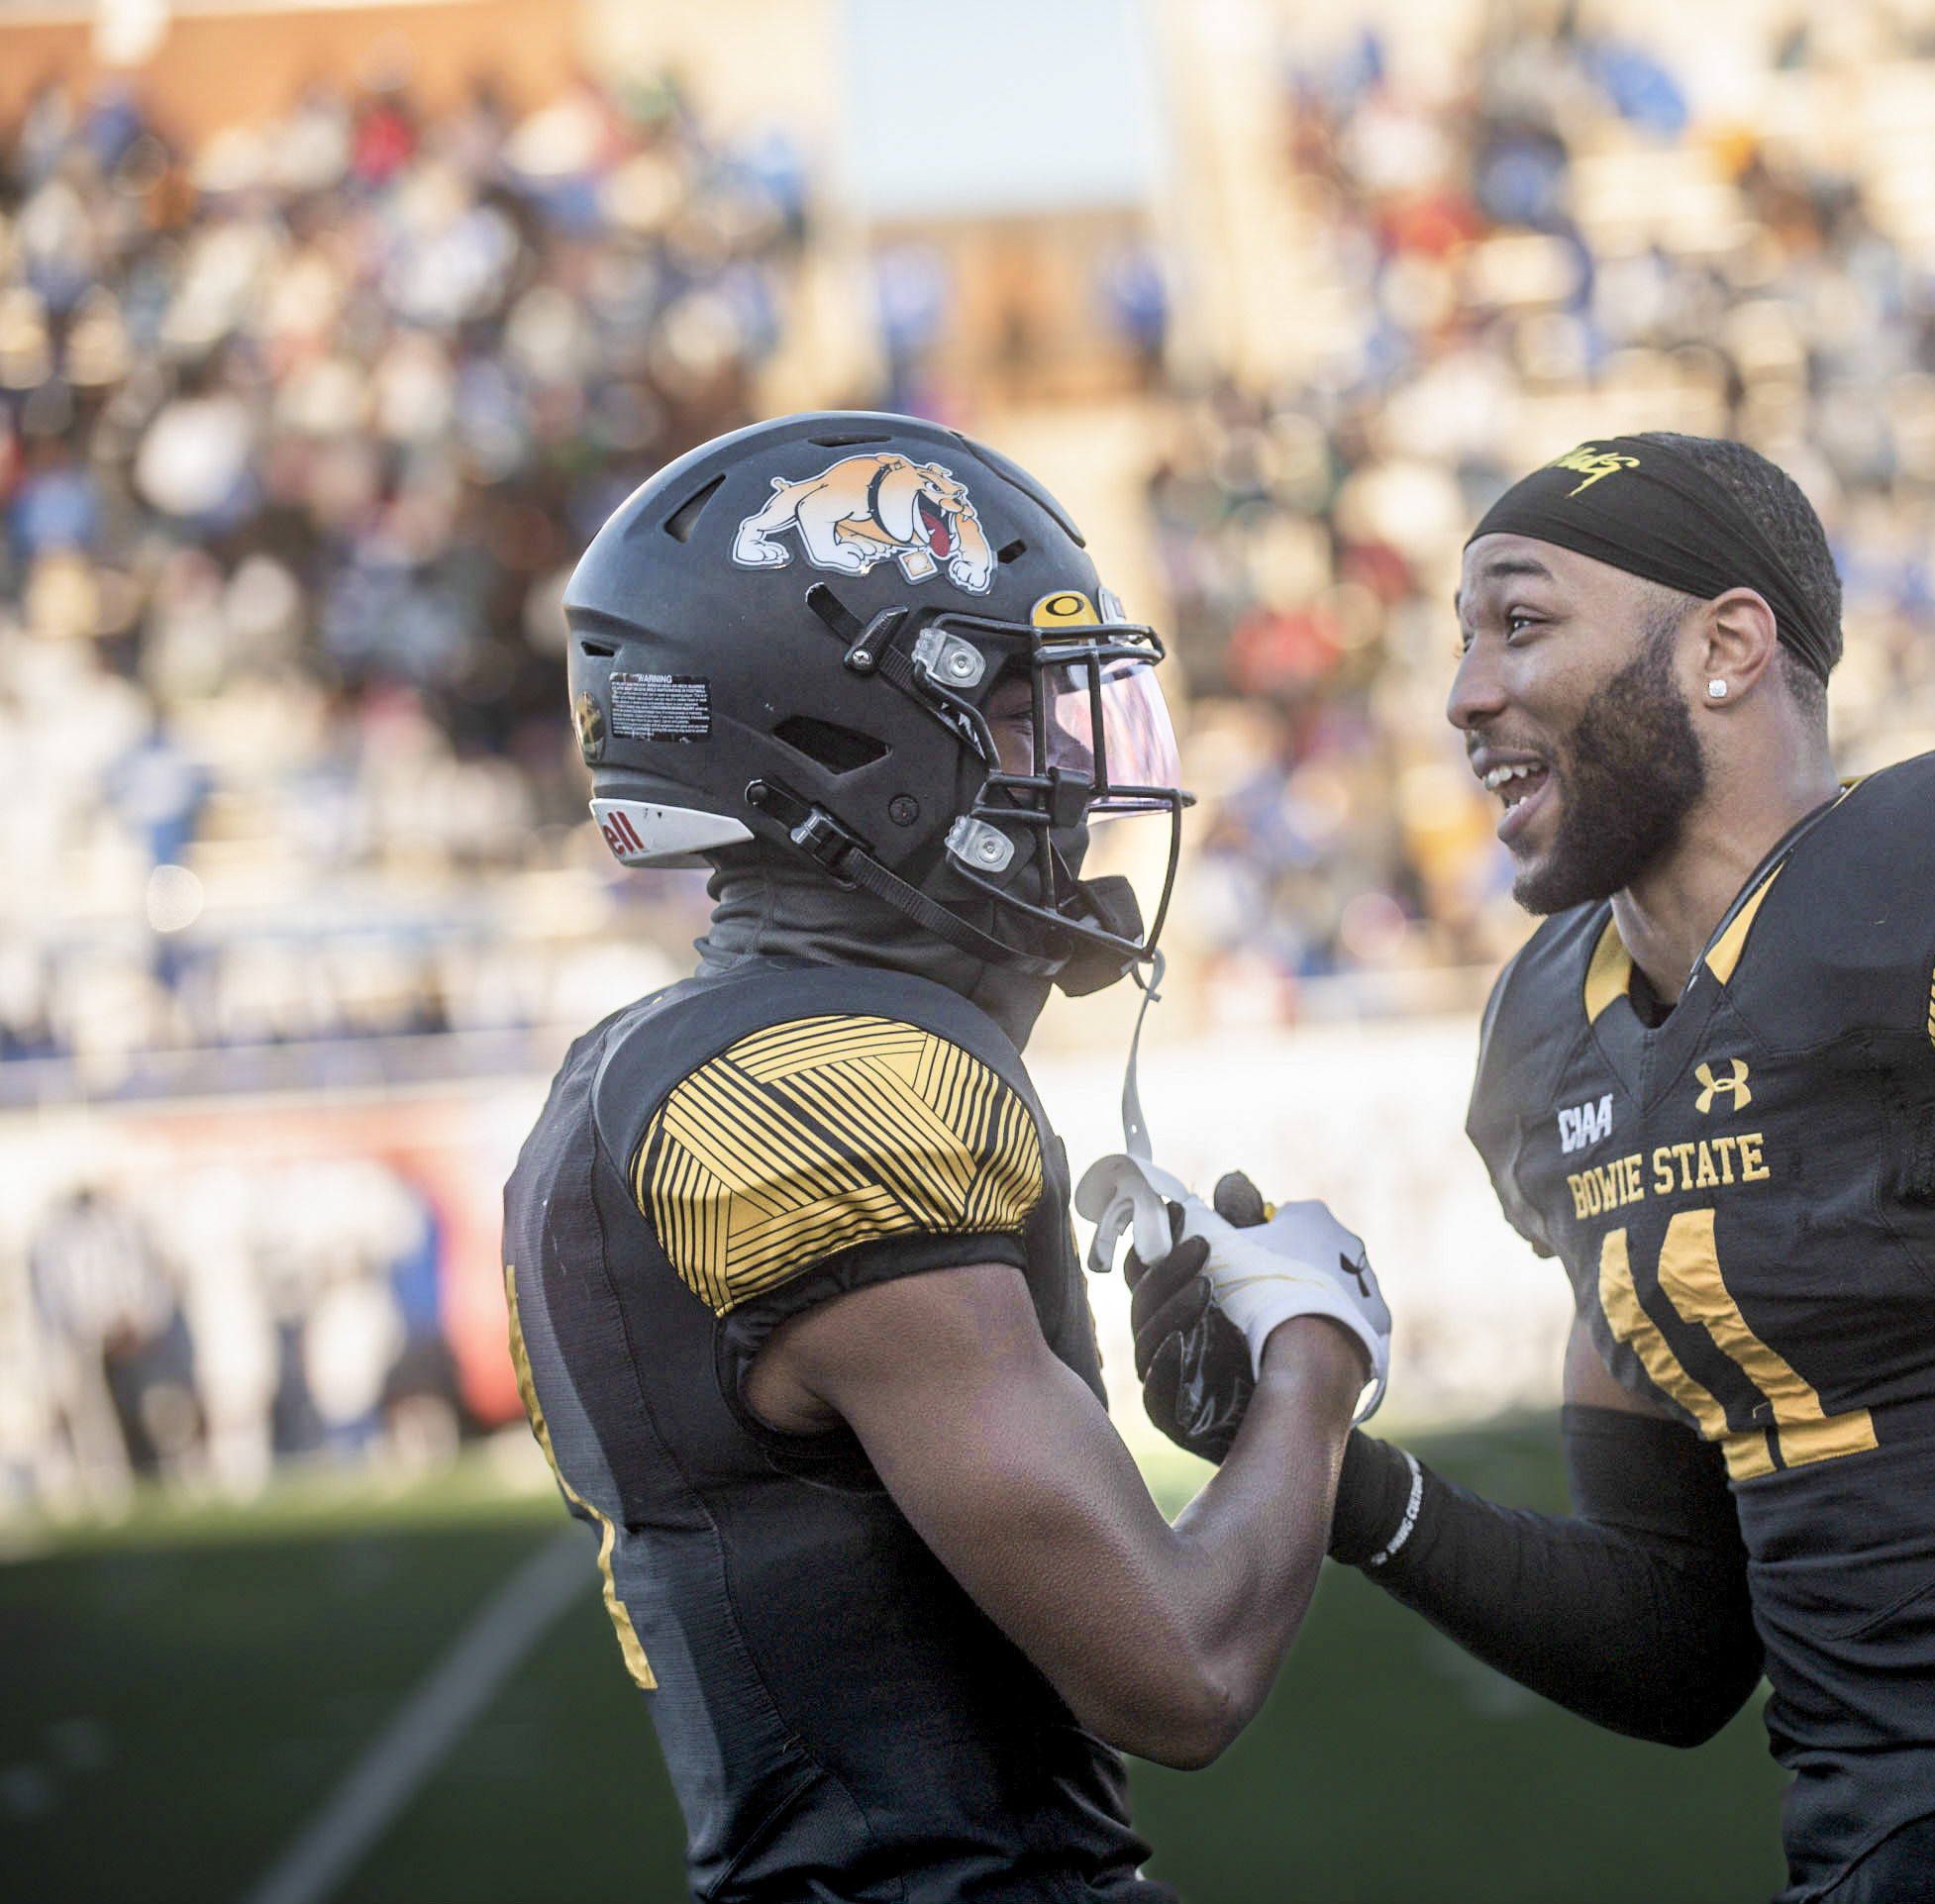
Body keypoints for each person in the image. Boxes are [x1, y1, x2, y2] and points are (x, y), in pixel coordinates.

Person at [1129, 434, 1935, 1902]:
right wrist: (1324, 1464)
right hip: (1856, 1860)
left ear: (1728, 646)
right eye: (1462, 640)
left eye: (1522, 621)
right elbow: (1677, 1638)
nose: (1465, 693)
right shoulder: (1554, 1040)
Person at [503, 413, 1390, 1904]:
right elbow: (1179, 1668)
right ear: (841, 735)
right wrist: (1315, 1359)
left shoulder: (686, 1055)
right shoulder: (828, 1084)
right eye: (1025, 710)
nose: (1076, 768)